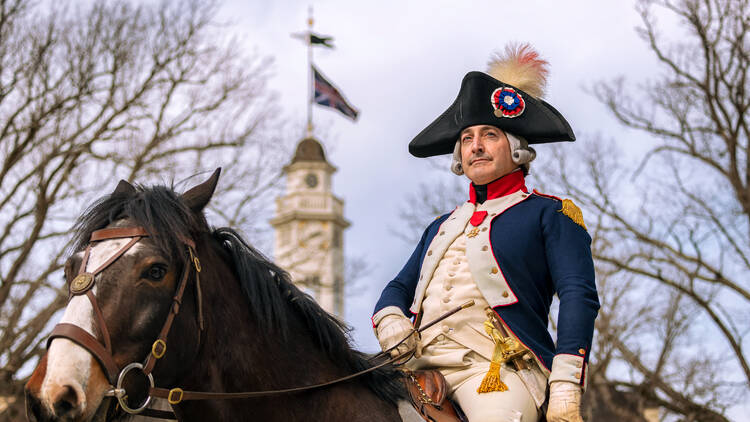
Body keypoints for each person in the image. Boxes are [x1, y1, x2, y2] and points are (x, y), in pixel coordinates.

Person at [372, 44, 600, 422]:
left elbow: (578, 295)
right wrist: (391, 317)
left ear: (517, 149)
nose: (475, 145)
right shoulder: (441, 225)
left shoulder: (552, 213)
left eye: (489, 134)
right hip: (416, 368)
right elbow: (398, 287)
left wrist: (565, 381)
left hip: (496, 373)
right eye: (466, 139)